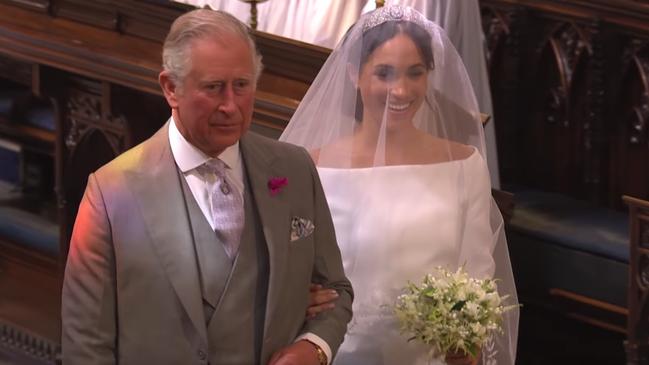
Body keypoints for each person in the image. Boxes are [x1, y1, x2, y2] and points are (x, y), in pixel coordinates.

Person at [61, 9, 352, 365]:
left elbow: (336, 291)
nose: (230, 105)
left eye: (242, 85)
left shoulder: (294, 168)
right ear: (171, 88)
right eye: (213, 87)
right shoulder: (111, 193)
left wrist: (314, 347)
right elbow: (86, 345)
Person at [280, 5, 518, 365]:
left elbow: (478, 275)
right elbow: (285, 270)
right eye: (384, 73)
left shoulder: (465, 165)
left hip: (431, 356)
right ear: (353, 74)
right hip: (339, 351)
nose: (401, 90)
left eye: (415, 73)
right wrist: (300, 295)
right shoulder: (311, 166)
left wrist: (467, 341)